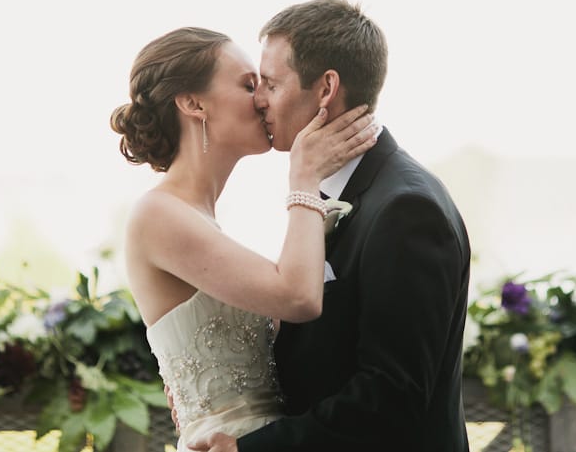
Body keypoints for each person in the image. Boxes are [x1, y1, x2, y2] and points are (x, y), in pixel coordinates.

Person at [190, 0, 471, 451]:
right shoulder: (333, 192)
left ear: (325, 90)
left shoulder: (407, 210)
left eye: (272, 84)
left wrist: (251, 449)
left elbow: (390, 398)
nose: (259, 100)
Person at [109, 26, 378, 452]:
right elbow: (298, 298)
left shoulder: (203, 221)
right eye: (248, 84)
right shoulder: (157, 215)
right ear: (193, 103)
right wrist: (304, 178)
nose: (262, 99)